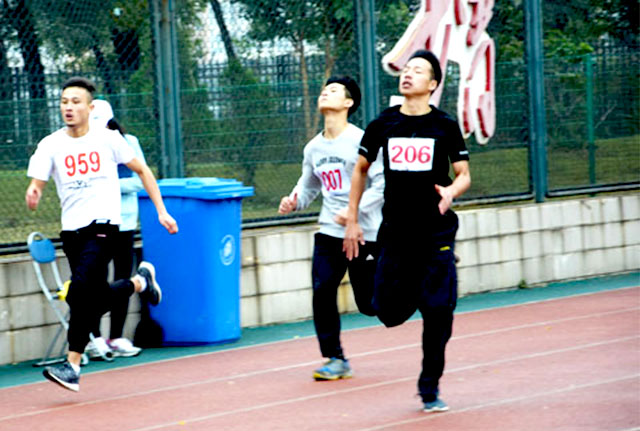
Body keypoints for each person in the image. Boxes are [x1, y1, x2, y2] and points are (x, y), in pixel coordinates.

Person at [25, 77, 179, 392]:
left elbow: (143, 170)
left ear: (90, 107)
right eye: (64, 102)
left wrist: (161, 210)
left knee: (79, 291)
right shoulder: (50, 144)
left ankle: (72, 366)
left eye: (75, 102)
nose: (69, 107)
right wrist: (34, 191)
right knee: (89, 299)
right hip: (72, 233)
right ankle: (139, 283)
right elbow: (37, 181)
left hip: (103, 227)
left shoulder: (108, 139)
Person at [343, 50, 471, 412]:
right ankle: (381, 274)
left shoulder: (444, 126)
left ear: (432, 84)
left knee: (439, 312)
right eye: (406, 69)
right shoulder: (383, 124)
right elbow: (360, 170)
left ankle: (429, 388)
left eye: (418, 70)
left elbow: (464, 174)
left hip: (435, 233)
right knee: (385, 311)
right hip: (396, 234)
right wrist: (352, 219)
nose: (408, 74)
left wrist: (451, 191)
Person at [278, 76, 384, 380]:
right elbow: (308, 185)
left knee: (370, 305)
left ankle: (410, 276)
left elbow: (382, 184)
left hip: (364, 231)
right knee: (322, 288)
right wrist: (294, 201)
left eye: (334, 90)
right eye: (324, 89)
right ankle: (335, 358)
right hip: (329, 230)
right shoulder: (313, 147)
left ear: (348, 103)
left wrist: (354, 212)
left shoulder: (363, 141)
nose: (326, 92)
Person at [83, 100, 146, 359]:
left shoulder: (128, 142)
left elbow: (139, 181)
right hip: (95, 223)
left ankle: (117, 337)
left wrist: (109, 184)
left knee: (123, 277)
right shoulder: (82, 146)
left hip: (125, 222)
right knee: (95, 280)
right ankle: (95, 339)